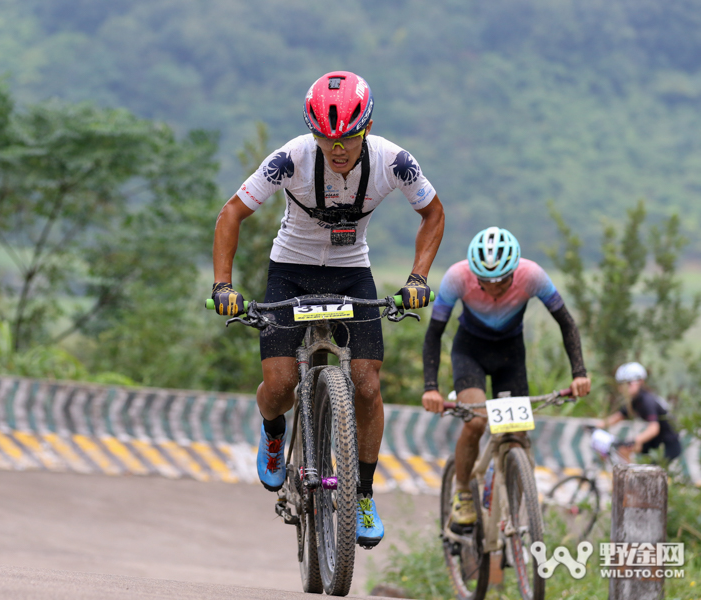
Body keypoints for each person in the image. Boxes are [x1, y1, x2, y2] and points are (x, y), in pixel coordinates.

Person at [211, 71, 445, 547]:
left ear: (369, 127)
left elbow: (433, 213)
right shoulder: (290, 159)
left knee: (367, 384)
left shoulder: (395, 162)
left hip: (351, 272)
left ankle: (361, 495)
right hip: (290, 269)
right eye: (326, 139)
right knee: (279, 385)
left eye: (349, 139)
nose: (337, 149)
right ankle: (274, 433)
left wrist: (418, 277)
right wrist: (223, 286)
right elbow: (232, 213)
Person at [420, 227, 591, 531]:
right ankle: (462, 493)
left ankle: (512, 505)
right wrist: (430, 388)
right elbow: (434, 334)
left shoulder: (533, 275)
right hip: (469, 352)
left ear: (515, 271)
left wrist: (579, 373)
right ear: (474, 274)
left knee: (517, 433)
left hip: (511, 356)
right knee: (475, 421)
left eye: (502, 281)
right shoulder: (457, 276)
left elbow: (567, 323)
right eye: (486, 282)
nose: (495, 289)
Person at [598, 362, 682, 463]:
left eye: (629, 383)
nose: (624, 387)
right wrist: (597, 426)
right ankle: (628, 475)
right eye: (622, 384)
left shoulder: (647, 400)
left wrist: (637, 440)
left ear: (640, 381)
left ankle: (633, 475)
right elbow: (617, 417)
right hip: (655, 442)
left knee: (650, 471)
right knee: (623, 449)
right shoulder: (634, 401)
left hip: (668, 445)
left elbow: (654, 428)